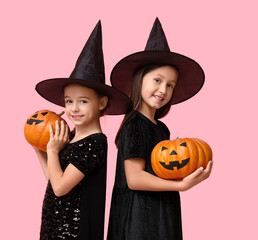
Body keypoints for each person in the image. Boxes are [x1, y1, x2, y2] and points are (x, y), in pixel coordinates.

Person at [107, 18, 213, 240]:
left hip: (161, 213)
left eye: (170, 85)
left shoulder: (162, 129)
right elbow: (134, 179)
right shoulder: (134, 125)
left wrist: (189, 173)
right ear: (139, 80)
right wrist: (182, 186)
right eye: (157, 80)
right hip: (139, 220)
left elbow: (166, 169)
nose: (163, 90)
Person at [34, 21, 132, 240]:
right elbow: (54, 177)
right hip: (54, 226)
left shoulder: (95, 142)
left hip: (74, 232)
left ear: (101, 103)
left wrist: (51, 151)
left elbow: (60, 188)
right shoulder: (69, 138)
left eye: (83, 101)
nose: (74, 108)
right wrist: (39, 149)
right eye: (69, 101)